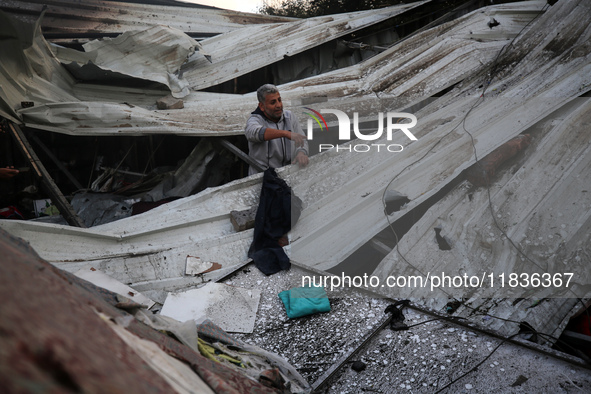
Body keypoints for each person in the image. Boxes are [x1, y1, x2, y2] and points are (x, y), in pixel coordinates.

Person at [245, 84, 309, 175]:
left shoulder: (289, 116)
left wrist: (301, 153)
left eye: (279, 100)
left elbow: (302, 139)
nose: (278, 105)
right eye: (273, 102)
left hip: (288, 175)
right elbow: (255, 133)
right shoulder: (254, 120)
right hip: (262, 180)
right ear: (262, 106)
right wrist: (285, 133)